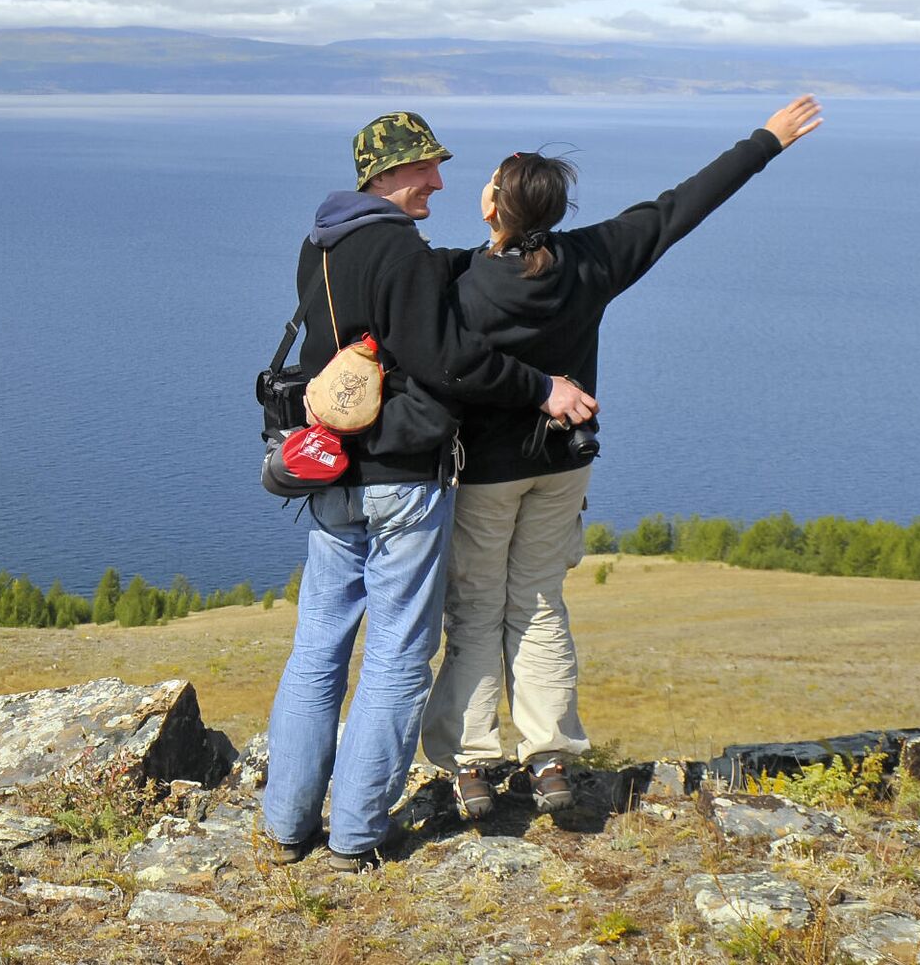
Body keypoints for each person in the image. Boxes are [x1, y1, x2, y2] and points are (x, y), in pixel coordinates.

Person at [421, 96, 824, 820]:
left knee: (477, 609)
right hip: (564, 467)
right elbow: (679, 209)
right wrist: (767, 140)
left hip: (486, 473)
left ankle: (472, 766)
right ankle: (547, 759)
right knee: (540, 602)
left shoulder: (464, 287)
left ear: (493, 210)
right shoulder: (591, 260)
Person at [262, 112, 598, 871]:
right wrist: (542, 386)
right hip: (403, 482)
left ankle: (287, 825)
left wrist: (479, 258)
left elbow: (398, 297)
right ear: (387, 174)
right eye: (425, 170)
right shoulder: (400, 251)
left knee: (317, 649)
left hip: (332, 474)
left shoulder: (322, 244)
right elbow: (449, 362)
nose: (439, 182)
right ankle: (353, 835)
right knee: (396, 657)